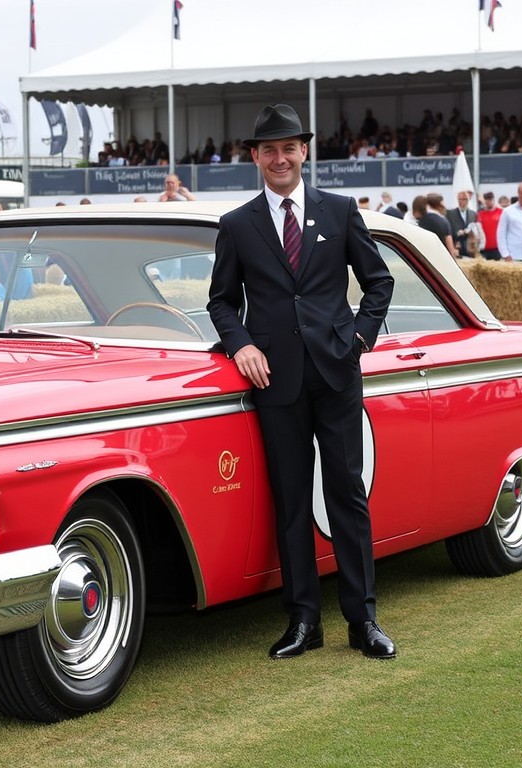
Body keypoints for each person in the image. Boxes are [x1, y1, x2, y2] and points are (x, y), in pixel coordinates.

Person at [206, 104, 396, 661]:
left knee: (347, 495)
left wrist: (359, 340)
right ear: (255, 158)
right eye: (269, 150)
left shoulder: (339, 211)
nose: (280, 158)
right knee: (290, 502)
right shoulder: (237, 224)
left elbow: (378, 282)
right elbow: (221, 301)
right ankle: (303, 621)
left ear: (304, 151)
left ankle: (363, 621)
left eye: (289, 147)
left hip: (337, 374)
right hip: (276, 383)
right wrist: (240, 345)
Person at [447, 190, 483, 258]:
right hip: (457, 247)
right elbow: (449, 231)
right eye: (459, 199)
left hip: (470, 247)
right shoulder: (450, 213)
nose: (461, 201)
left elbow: (476, 230)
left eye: (464, 199)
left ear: (468, 200)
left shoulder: (473, 214)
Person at [477, 191, 503, 260]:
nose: (488, 202)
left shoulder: (500, 212)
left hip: (497, 247)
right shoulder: (481, 214)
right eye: (486, 201)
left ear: (493, 200)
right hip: (484, 248)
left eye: (490, 200)